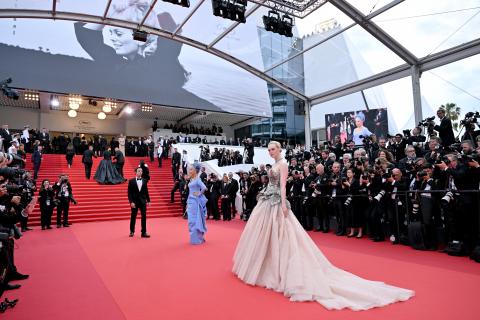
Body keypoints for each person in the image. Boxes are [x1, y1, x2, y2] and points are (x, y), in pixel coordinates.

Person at [232, 141, 414, 311]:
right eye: (269, 149)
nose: (271, 152)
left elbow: (282, 187)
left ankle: (277, 268)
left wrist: (282, 204)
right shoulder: (273, 165)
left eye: (273, 149)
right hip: (266, 202)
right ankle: (265, 263)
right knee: (265, 234)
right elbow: (271, 183)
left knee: (282, 234)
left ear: (279, 150)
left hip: (276, 203)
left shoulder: (284, 165)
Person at [186, 162, 208, 244]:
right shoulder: (192, 180)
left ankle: (196, 239)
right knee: (191, 221)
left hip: (195, 202)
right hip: (191, 201)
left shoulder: (198, 180)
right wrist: (187, 202)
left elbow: (204, 188)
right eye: (190, 169)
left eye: (191, 169)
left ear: (195, 171)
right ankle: (196, 238)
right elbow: (190, 192)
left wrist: (199, 193)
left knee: (194, 220)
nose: (189, 171)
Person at [128, 167, 151, 238]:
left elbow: (146, 191)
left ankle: (143, 232)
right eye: (139, 171)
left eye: (141, 171)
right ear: (136, 172)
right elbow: (129, 193)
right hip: (135, 202)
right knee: (133, 216)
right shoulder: (131, 181)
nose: (140, 172)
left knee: (144, 216)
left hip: (143, 201)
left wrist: (148, 200)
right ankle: (132, 231)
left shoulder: (144, 181)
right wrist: (131, 202)